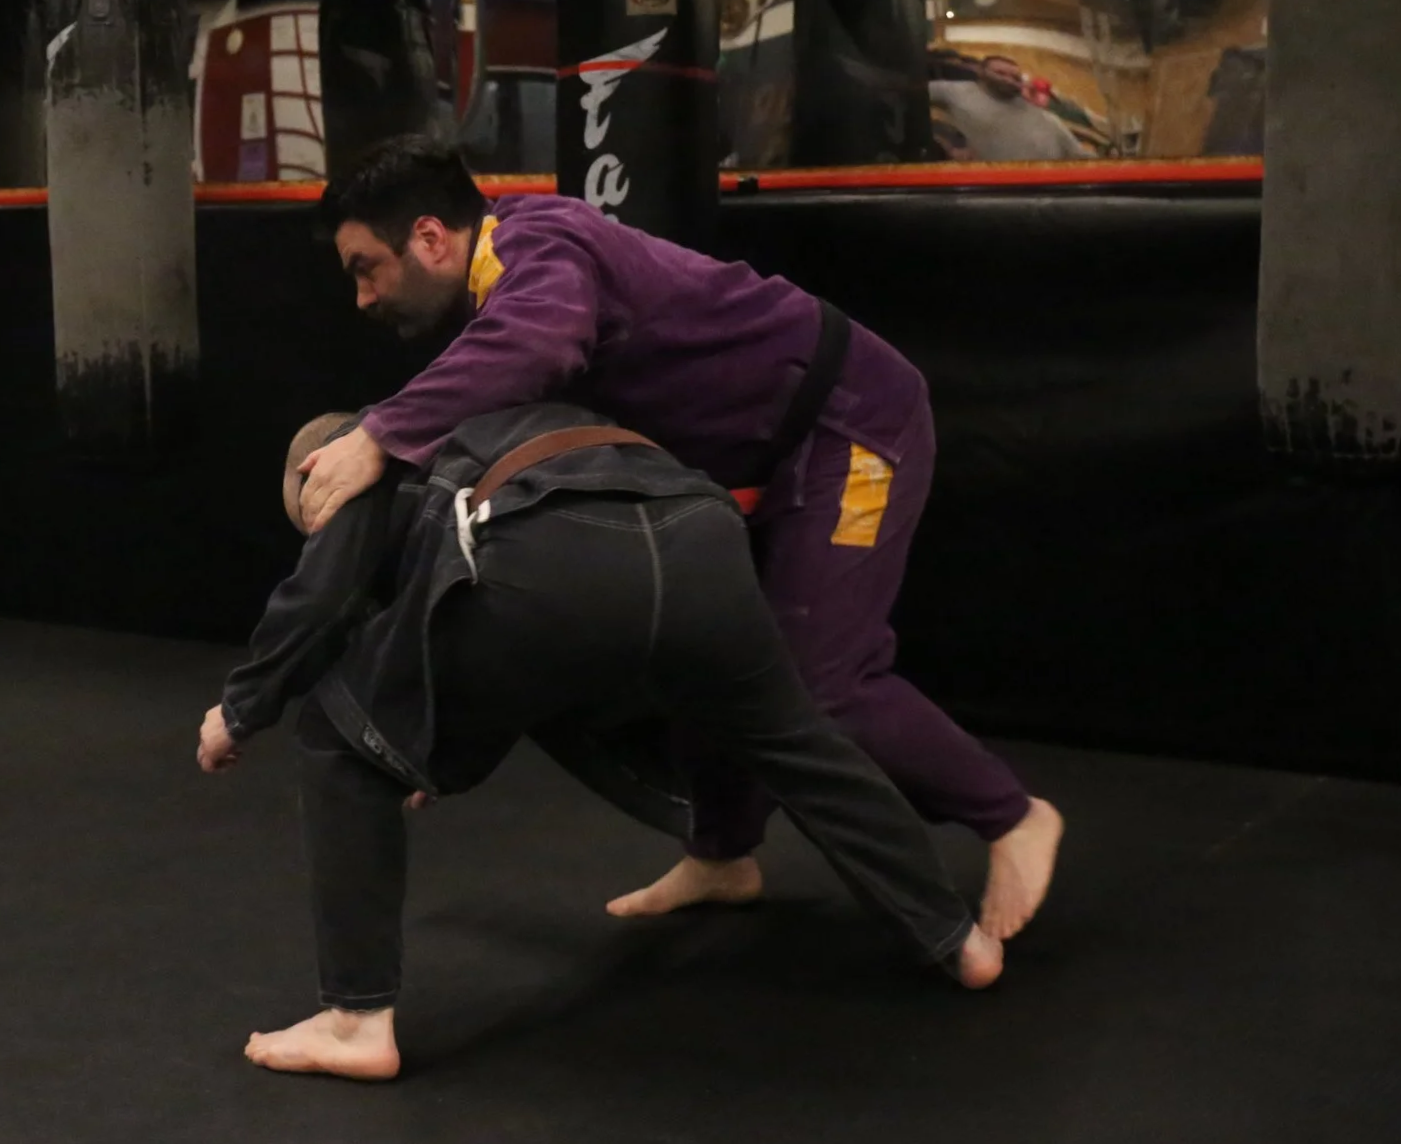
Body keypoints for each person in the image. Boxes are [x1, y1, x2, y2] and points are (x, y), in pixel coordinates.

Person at [295, 135, 1063, 940]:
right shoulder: (498, 307)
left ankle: (1011, 816)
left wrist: (378, 434)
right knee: (707, 650)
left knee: (823, 685)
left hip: (852, 427)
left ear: (427, 238)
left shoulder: (538, 245)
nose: (363, 298)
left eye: (363, 268)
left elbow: (540, 341)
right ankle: (723, 854)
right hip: (766, 462)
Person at [199, 406, 1005, 1081]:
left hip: (552, 561)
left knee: (335, 741)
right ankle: (952, 936)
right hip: (697, 531)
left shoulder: (363, 453)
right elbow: (470, 663)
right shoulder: (482, 416)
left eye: (313, 521)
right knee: (795, 740)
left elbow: (323, 600)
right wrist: (420, 752)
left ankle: (354, 1022)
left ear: (317, 475)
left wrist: (240, 708)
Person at [928, 56, 1090, 162]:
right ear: (981, 72)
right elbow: (911, 97)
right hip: (987, 189)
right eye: (1000, 73)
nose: (1008, 80)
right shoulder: (955, 92)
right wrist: (944, 145)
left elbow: (1081, 158)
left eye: (1015, 77)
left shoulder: (1042, 115)